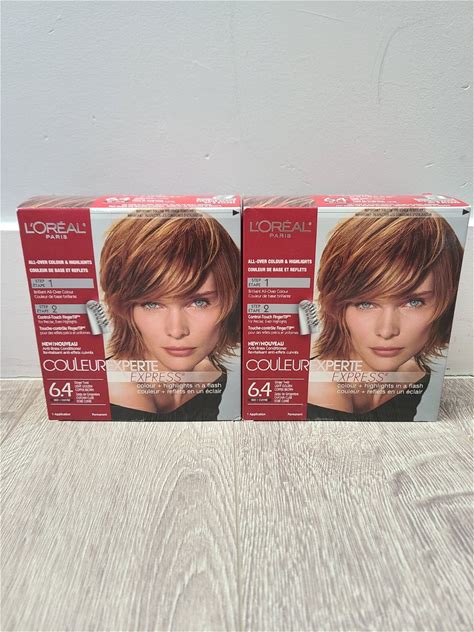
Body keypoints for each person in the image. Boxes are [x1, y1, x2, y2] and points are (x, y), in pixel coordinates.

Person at [307, 208, 463, 421]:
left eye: (414, 302)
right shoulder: (319, 387)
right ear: (336, 306)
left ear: (447, 303)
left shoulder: (414, 374)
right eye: (365, 303)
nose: (387, 330)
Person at [100, 209, 240, 421]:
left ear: (232, 301)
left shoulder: (211, 373)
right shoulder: (117, 388)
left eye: (199, 302)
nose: (176, 331)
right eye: (152, 304)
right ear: (124, 307)